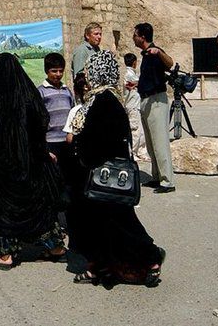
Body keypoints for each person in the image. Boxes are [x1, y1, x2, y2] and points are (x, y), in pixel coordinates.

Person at [66, 51, 166, 286]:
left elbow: (99, 141)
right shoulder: (106, 98)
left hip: (104, 177)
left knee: (119, 224)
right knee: (106, 225)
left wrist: (81, 145)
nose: (87, 75)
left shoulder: (104, 102)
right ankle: (100, 266)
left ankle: (150, 257)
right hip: (106, 176)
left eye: (90, 71)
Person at [0, 53, 67, 270]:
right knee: (38, 204)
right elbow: (43, 119)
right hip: (32, 161)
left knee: (5, 208)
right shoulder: (29, 93)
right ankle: (55, 248)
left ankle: (5, 255)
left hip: (5, 165)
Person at [133, 23, 176, 193]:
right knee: (151, 144)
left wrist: (158, 52)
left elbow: (170, 63)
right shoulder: (145, 55)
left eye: (135, 35)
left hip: (156, 101)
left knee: (160, 142)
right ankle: (157, 176)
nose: (133, 38)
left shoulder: (155, 51)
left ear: (142, 37)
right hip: (146, 101)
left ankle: (167, 181)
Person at [37, 53, 76, 241]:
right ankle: (53, 222)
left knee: (68, 181)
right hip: (50, 142)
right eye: (54, 71)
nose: (58, 74)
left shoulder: (67, 91)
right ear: (47, 71)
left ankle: (69, 220)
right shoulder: (41, 92)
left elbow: (74, 113)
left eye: (61, 71)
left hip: (66, 142)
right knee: (52, 183)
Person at [123, 53, 150, 160]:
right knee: (135, 130)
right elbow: (132, 84)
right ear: (134, 62)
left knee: (141, 130)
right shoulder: (128, 74)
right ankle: (132, 152)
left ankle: (141, 151)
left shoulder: (133, 73)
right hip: (132, 106)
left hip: (138, 105)